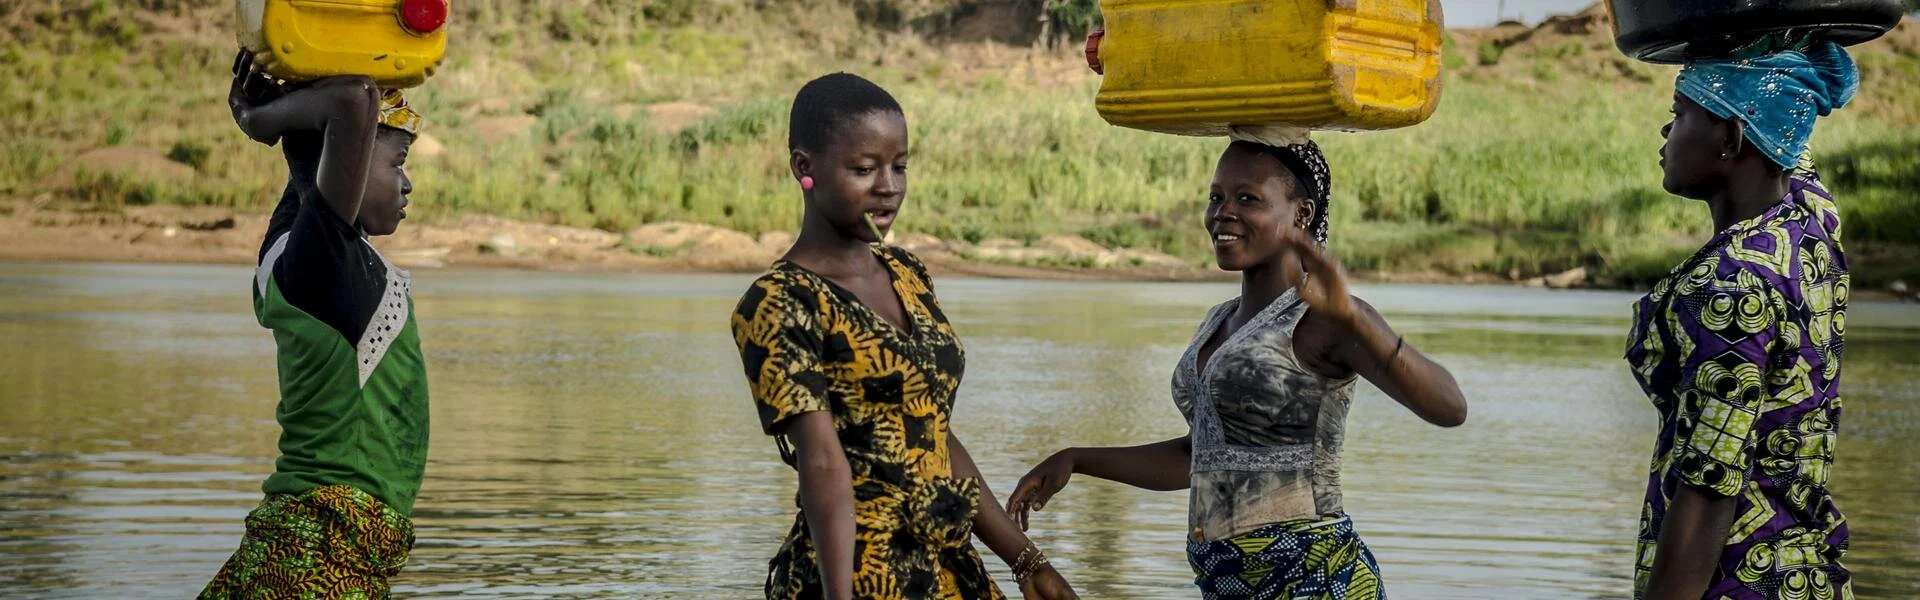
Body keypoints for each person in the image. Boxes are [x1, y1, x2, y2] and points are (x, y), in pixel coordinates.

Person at [1006, 136, 1469, 600]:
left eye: (1247, 199)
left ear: (1302, 214)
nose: (1223, 212)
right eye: (1216, 197)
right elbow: (1199, 457)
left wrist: (1357, 319)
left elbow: (1450, 408)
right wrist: (1076, 459)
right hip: (1228, 584)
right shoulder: (1218, 321)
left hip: (1315, 578)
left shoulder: (1324, 319)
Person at [729, 72, 1078, 600]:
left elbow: (934, 433)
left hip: (946, 564)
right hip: (856, 571)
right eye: (864, 169)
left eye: (899, 166)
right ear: (804, 167)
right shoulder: (780, 301)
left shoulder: (907, 273)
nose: (888, 186)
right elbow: (822, 462)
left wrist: (1030, 565)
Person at [1627, 38, 1858, 600]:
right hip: (1806, 578)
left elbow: (1709, 490)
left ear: (1730, 139)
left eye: (1681, 113)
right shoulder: (1810, 225)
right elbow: (1786, 139)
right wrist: (1777, 32)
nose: (1666, 132)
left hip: (1738, 585)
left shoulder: (1732, 288)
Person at [200, 50, 428, 599]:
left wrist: (292, 119)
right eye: (396, 163)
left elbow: (313, 168)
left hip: (306, 544)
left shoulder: (294, 251)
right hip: (320, 556)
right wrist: (258, 120)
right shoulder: (324, 263)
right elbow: (354, 98)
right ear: (348, 154)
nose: (406, 184)